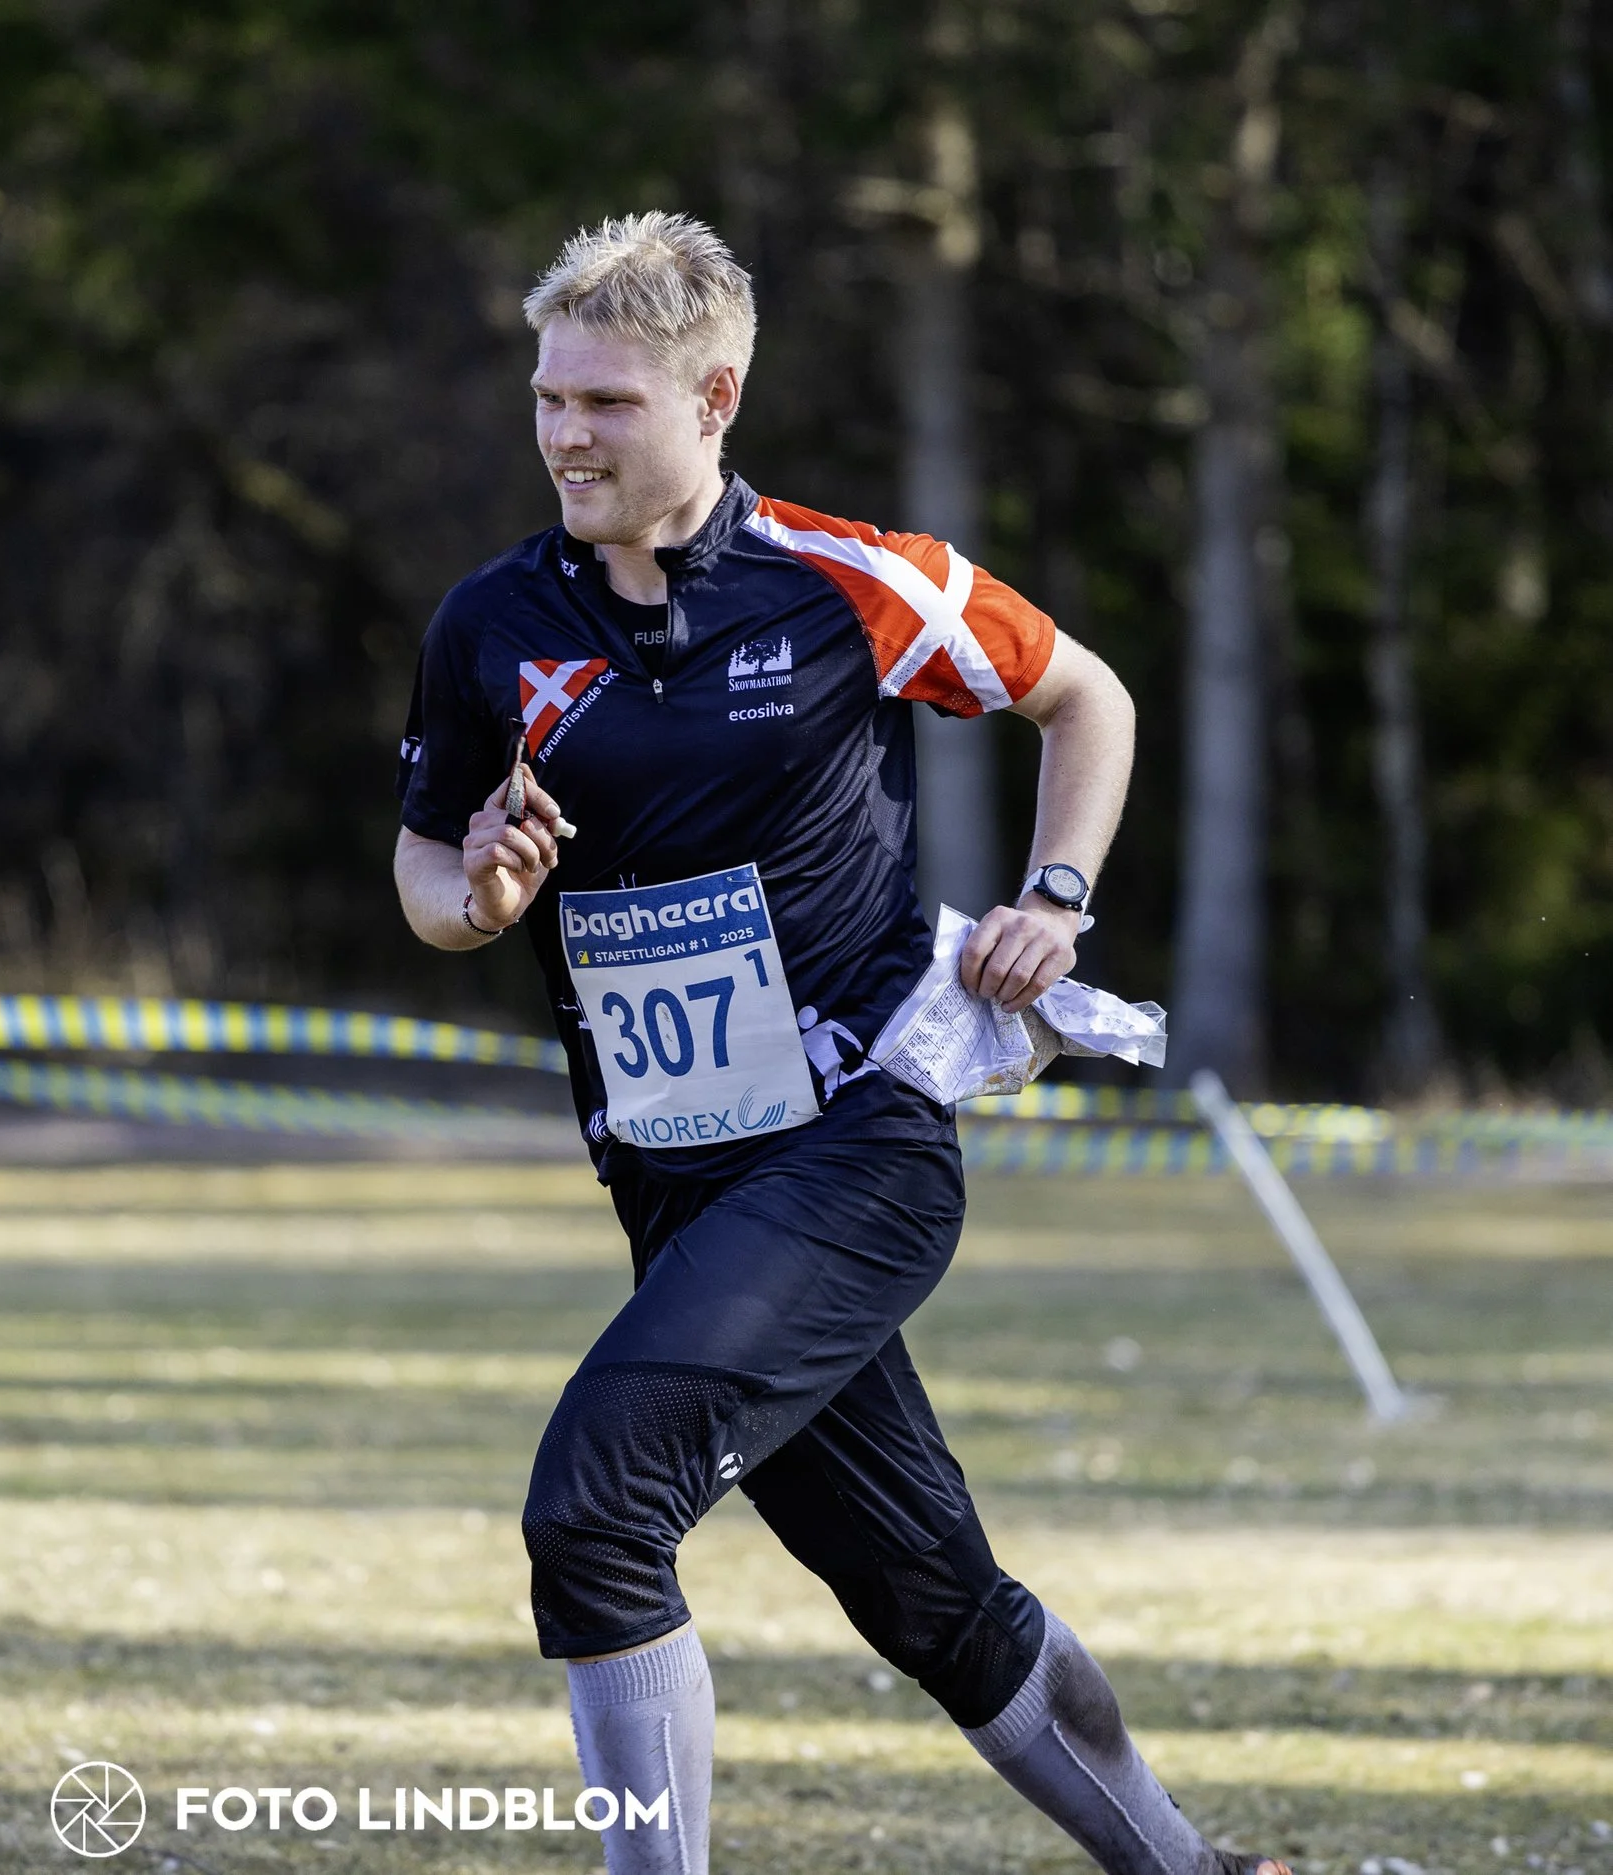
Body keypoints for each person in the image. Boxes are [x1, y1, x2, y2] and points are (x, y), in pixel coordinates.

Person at [391, 211, 1288, 1875]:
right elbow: (429, 866)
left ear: (712, 395)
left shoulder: (856, 581)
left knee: (595, 1512)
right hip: (670, 1181)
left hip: (857, 1145)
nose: (565, 436)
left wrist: (1060, 893)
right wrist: (483, 893)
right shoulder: (491, 625)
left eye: (606, 403)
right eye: (547, 399)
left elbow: (1087, 695)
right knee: (930, 1595)